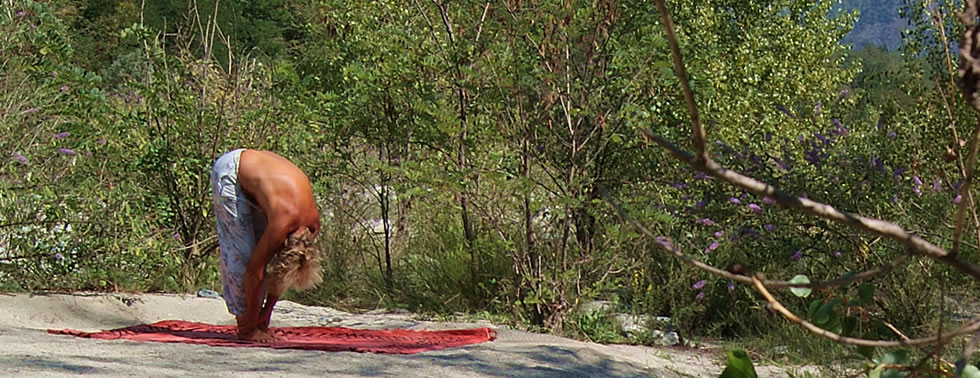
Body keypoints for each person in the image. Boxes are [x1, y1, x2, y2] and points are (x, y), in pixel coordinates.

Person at [210, 149, 322, 342]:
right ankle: (245, 328)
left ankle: (256, 324)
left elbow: (282, 273)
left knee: (258, 257)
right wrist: (252, 326)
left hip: (258, 177)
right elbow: (255, 270)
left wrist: (264, 317)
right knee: (243, 255)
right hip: (230, 171)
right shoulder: (282, 223)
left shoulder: (312, 226)